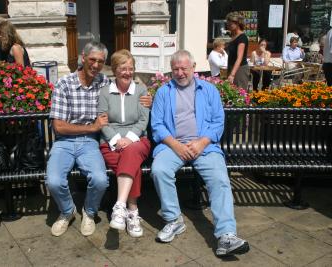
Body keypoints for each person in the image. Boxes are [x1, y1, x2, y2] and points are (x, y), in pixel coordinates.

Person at [47, 41, 152, 238]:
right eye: (92, 60)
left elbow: (139, 106)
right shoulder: (66, 84)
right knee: (53, 181)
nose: (95, 65)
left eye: (100, 61)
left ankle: (96, 211)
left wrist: (147, 99)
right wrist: (100, 131)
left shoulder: (105, 82)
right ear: (83, 58)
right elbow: (58, 126)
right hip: (67, 142)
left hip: (91, 142)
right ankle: (67, 212)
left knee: (101, 179)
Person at [150, 49, 250, 257]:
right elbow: (157, 125)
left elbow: (217, 122)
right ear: (171, 70)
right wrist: (176, 145)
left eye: (184, 68)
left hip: (204, 146)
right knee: (159, 170)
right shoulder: (163, 92)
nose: (180, 73)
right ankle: (173, 220)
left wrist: (201, 142)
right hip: (172, 146)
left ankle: (226, 235)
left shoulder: (208, 90)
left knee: (219, 178)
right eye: (175, 69)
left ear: (194, 68)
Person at [98, 49, 151, 238]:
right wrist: (115, 139)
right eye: (123, 68)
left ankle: (119, 206)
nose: (127, 72)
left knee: (131, 153)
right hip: (111, 141)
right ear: (114, 70)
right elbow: (102, 120)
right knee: (132, 165)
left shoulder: (141, 91)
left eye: (131, 68)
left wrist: (128, 138)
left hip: (137, 140)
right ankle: (133, 210)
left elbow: (143, 121)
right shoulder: (105, 92)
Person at [226, 12, 250, 89]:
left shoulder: (242, 37)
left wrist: (232, 74)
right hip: (232, 67)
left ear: (238, 23)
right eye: (228, 24)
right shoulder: (233, 36)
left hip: (240, 69)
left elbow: (239, 58)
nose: (229, 26)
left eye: (230, 24)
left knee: (240, 94)